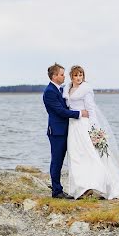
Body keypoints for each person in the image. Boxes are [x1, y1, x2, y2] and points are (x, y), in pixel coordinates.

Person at [63, 65, 119, 199]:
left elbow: (91, 109)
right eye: (76, 75)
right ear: (71, 76)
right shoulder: (67, 89)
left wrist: (94, 128)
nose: (79, 78)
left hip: (83, 125)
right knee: (75, 155)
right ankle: (81, 187)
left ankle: (97, 183)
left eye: (81, 75)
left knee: (89, 154)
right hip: (73, 126)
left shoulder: (86, 90)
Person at [42, 63, 88, 199]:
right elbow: (60, 111)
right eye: (62, 75)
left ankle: (79, 187)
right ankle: (56, 191)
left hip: (68, 130)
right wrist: (80, 113)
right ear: (54, 76)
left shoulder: (61, 89)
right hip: (57, 131)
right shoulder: (49, 92)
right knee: (57, 161)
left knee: (73, 159)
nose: (64, 77)